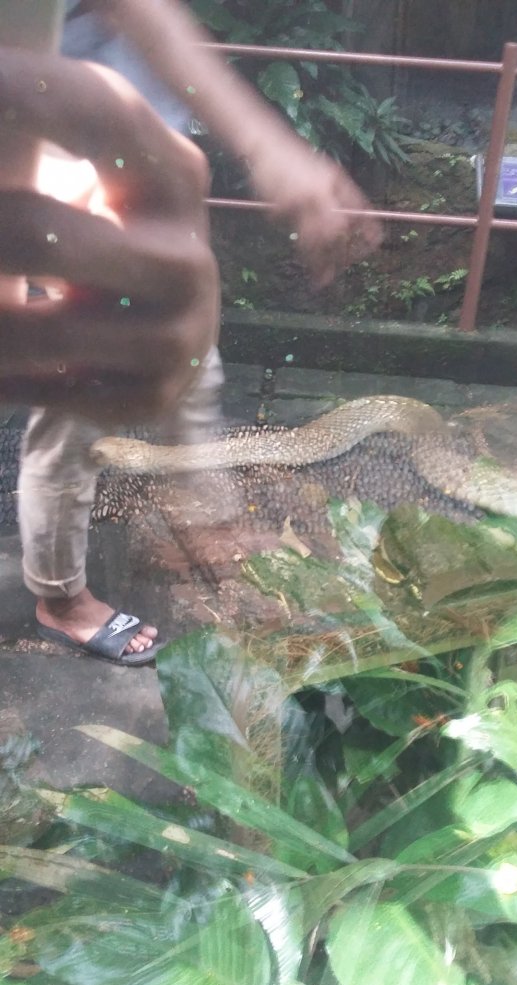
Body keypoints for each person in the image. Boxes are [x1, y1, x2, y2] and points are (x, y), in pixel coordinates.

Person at [0, 0, 380, 664]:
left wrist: (266, 150)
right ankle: (60, 598)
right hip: (55, 200)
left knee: (186, 360)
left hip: (126, 194)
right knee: (74, 409)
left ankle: (206, 518)